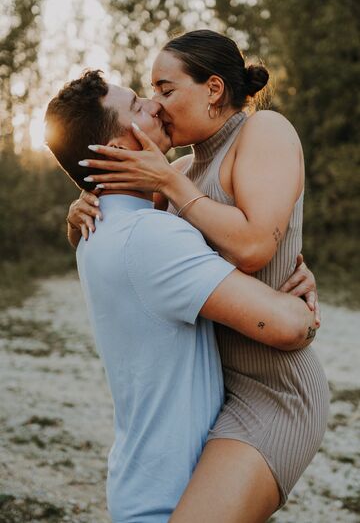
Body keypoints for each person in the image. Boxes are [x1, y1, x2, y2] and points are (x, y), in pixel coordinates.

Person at [67, 30, 329, 522]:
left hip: (272, 390)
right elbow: (137, 252)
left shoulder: (264, 131)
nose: (158, 105)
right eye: (151, 93)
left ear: (213, 89)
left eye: (167, 90)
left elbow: (253, 246)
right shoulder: (183, 171)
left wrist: (165, 180)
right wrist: (83, 206)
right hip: (218, 395)